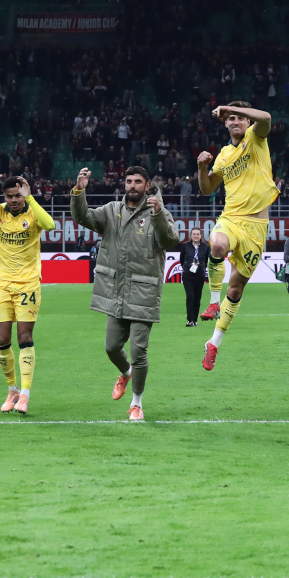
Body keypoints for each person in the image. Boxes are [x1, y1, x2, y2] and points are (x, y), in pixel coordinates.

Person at [72, 166, 179, 420]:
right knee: (111, 347)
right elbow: (83, 217)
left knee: (138, 351)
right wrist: (79, 192)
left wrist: (158, 215)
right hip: (116, 291)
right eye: (129, 181)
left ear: (147, 185)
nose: (132, 185)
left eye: (137, 182)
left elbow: (170, 240)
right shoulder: (111, 210)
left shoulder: (158, 211)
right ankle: (125, 372)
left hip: (144, 292)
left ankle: (137, 403)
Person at [0, 174, 56, 415]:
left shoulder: (32, 211)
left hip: (27, 284)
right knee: (2, 339)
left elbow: (50, 225)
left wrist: (31, 197)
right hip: (1, 284)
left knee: (24, 337)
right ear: (3, 196)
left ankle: (25, 394)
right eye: (9, 196)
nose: (14, 200)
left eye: (17, 195)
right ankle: (12, 389)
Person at [195, 102, 277, 370]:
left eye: (241, 117)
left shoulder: (256, 136)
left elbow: (265, 115)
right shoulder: (223, 155)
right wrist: (201, 168)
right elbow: (207, 189)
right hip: (231, 219)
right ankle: (213, 303)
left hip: (257, 228)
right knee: (217, 245)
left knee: (236, 288)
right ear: (226, 124)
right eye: (231, 118)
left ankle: (214, 343)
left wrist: (228, 106)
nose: (237, 121)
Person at [178, 228, 210, 326]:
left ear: (201, 236)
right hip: (188, 275)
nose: (196, 236)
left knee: (197, 297)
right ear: (190, 236)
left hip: (199, 275)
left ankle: (195, 320)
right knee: (190, 296)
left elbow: (206, 261)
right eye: (194, 234)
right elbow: (181, 259)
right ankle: (190, 319)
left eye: (198, 234)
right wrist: (188, 267)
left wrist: (201, 268)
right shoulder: (185, 246)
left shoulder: (205, 247)